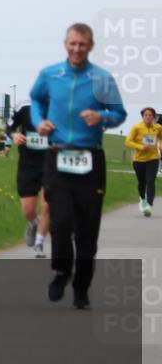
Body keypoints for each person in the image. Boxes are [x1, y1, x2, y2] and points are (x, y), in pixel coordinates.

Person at [30, 23, 126, 309]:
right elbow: (36, 99)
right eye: (72, 43)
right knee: (59, 220)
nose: (76, 49)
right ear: (65, 44)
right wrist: (39, 122)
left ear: (91, 46)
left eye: (82, 44)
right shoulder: (49, 75)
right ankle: (62, 270)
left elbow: (119, 113)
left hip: (90, 160)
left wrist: (102, 118)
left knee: (87, 230)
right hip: (58, 157)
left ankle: (81, 287)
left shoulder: (102, 79)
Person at [7, 102, 51, 257]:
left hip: (51, 163)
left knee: (47, 205)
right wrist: (14, 135)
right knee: (28, 210)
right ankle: (33, 223)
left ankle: (39, 244)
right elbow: (9, 126)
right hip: (28, 164)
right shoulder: (24, 107)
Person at [125, 107, 161, 217]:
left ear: (154, 117)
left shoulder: (158, 127)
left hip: (153, 158)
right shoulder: (137, 127)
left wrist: (160, 146)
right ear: (142, 116)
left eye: (150, 115)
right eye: (146, 115)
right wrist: (140, 147)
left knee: (150, 181)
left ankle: (149, 206)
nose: (148, 117)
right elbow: (128, 142)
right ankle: (142, 198)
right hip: (139, 160)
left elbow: (161, 138)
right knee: (142, 183)